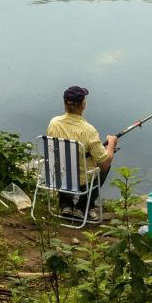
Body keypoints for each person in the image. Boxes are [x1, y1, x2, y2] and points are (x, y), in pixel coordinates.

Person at [45, 84, 119, 212]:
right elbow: (105, 163)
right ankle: (83, 207)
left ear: (65, 103)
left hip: (57, 176)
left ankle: (66, 205)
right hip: (82, 181)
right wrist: (111, 144)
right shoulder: (88, 130)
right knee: (105, 165)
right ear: (83, 104)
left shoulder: (54, 123)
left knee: (65, 164)